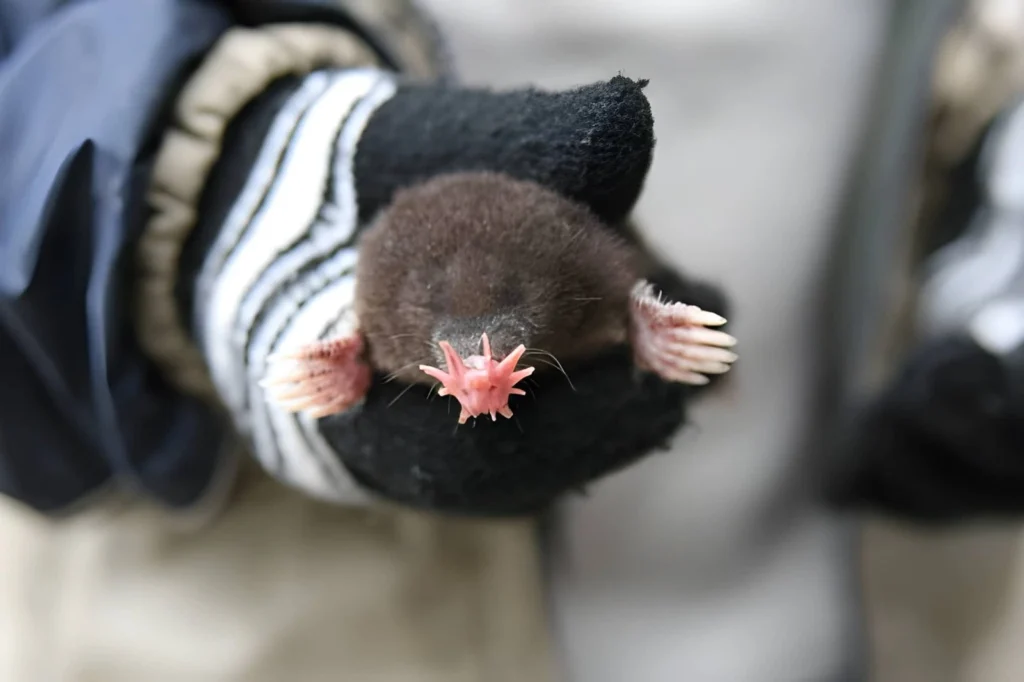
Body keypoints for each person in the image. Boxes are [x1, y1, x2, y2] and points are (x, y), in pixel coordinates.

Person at [0, 1, 728, 680]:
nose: (477, 377)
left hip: (767, 592)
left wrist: (641, 316)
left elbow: (598, 267)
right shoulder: (390, 302)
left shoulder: (567, 269)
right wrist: (203, 183)